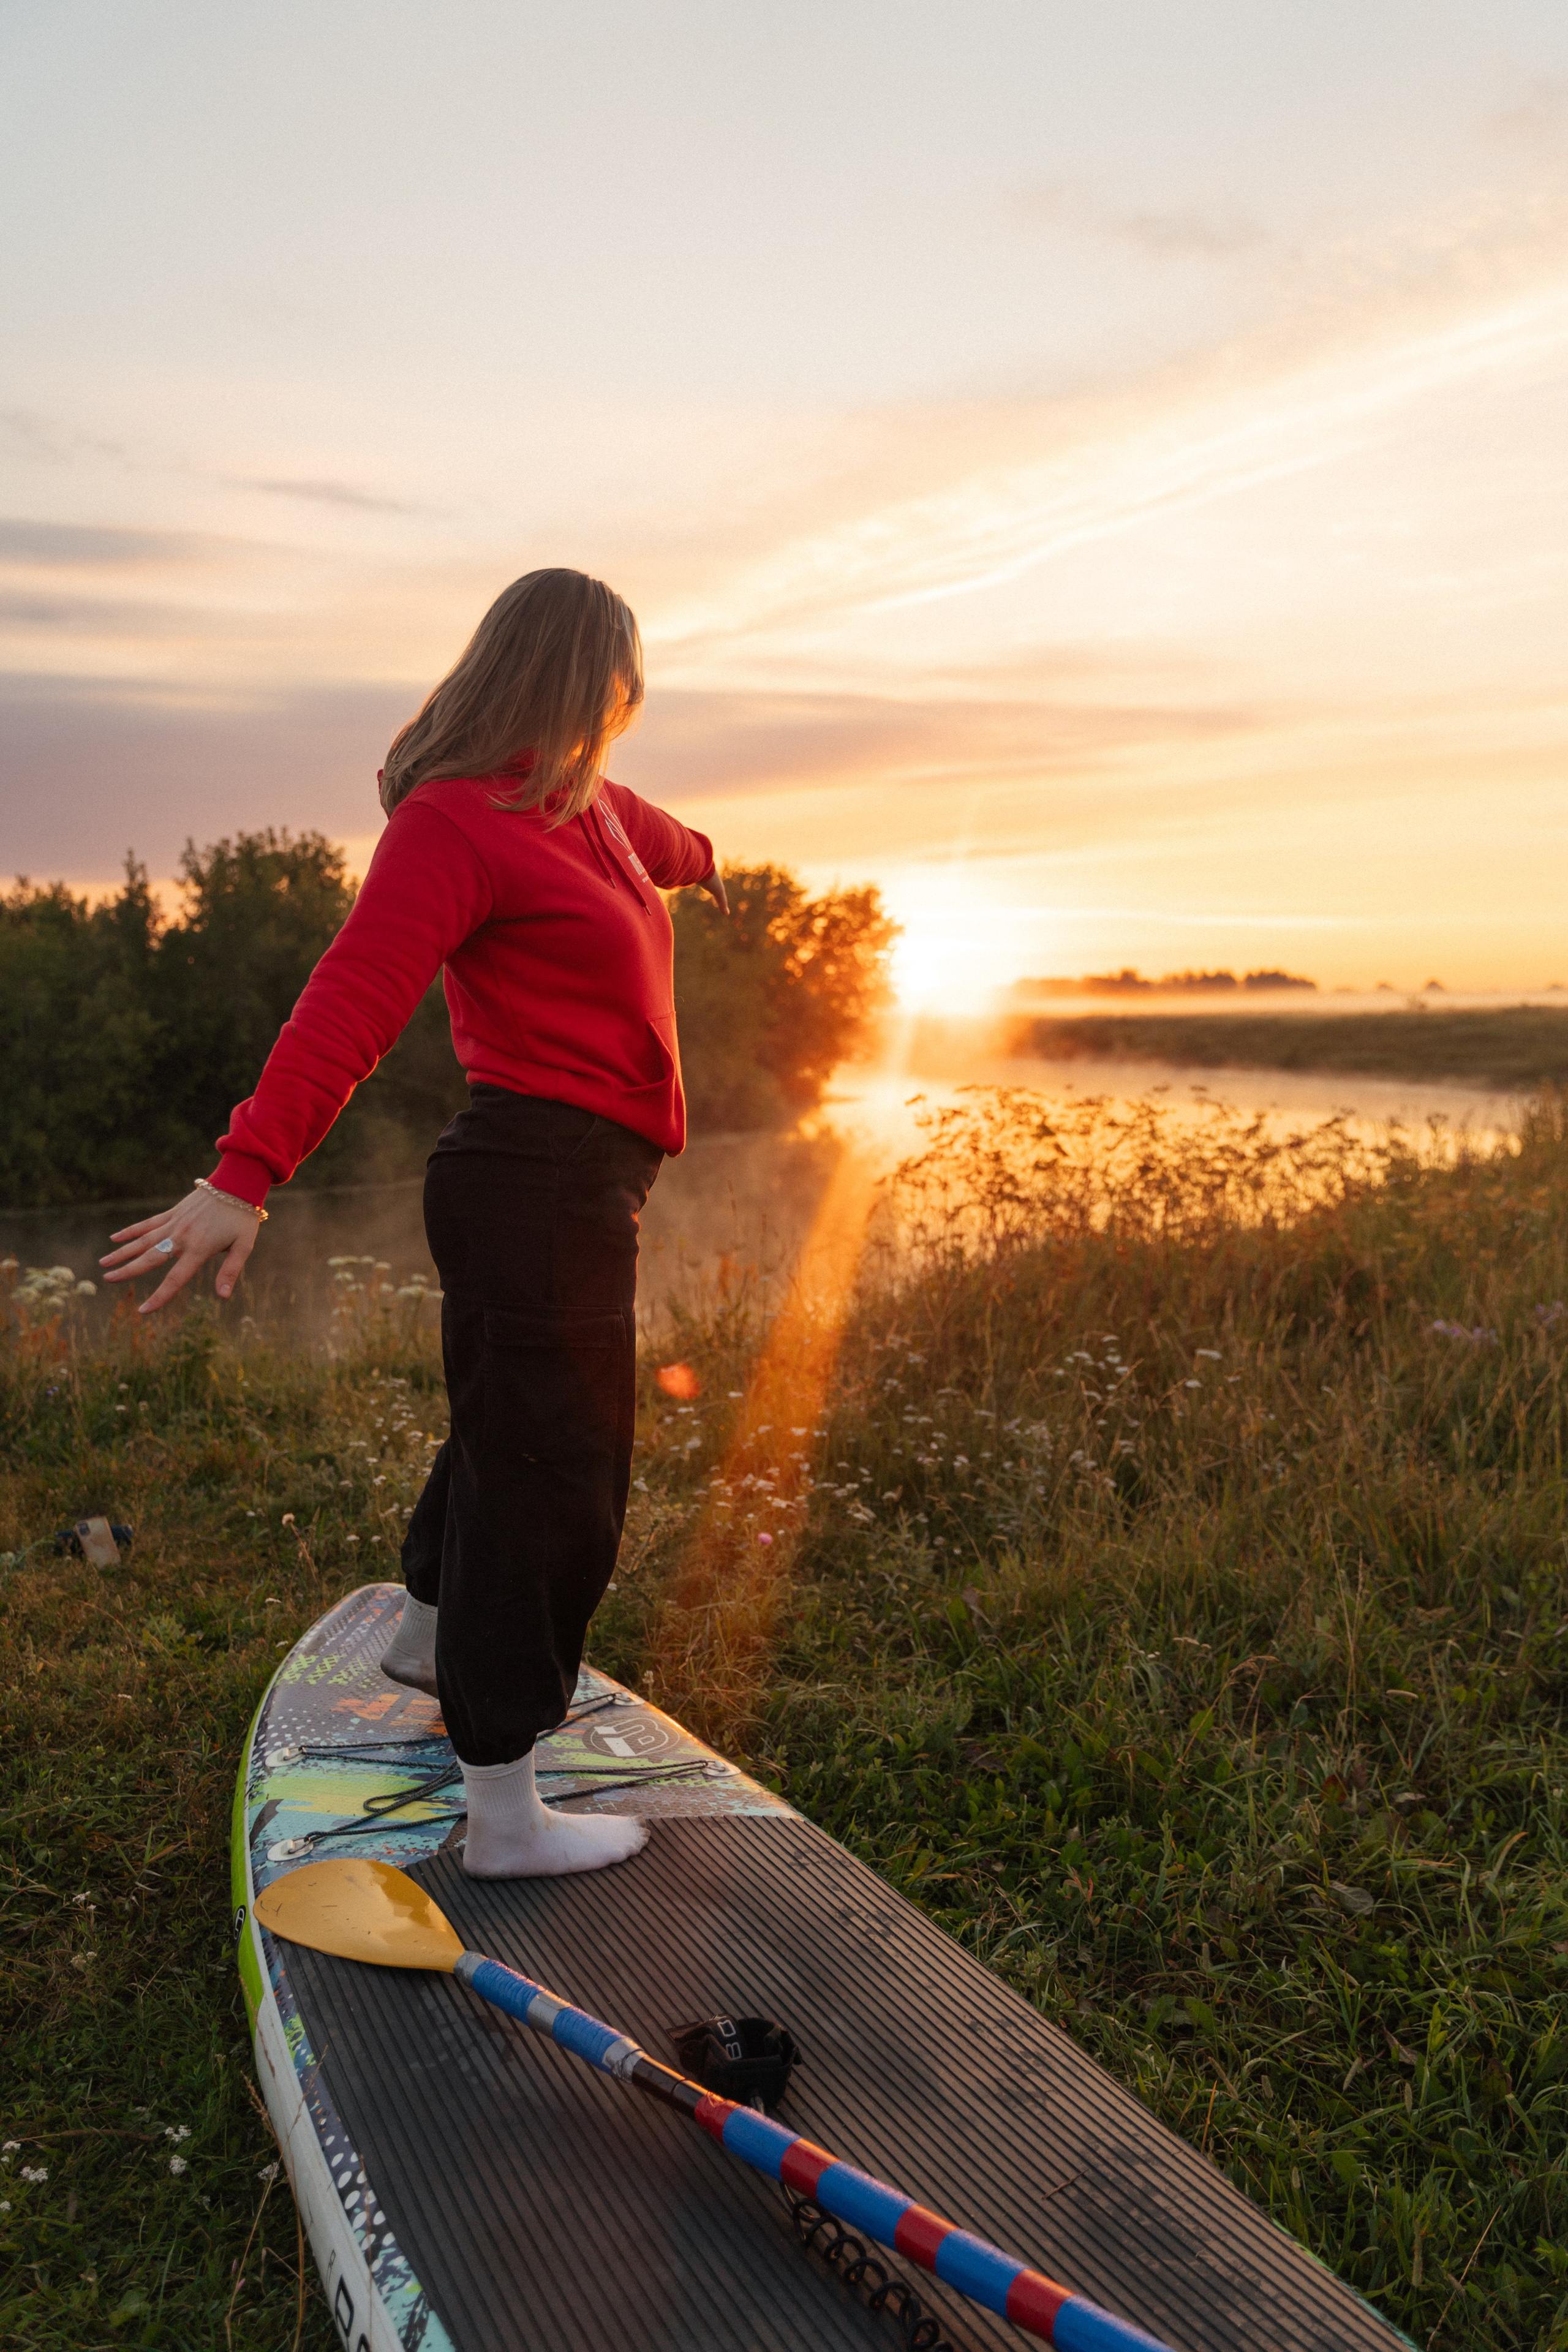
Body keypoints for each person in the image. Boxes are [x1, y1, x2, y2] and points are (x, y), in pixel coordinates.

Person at [100, 568, 727, 1880]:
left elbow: (673, 848)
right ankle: (505, 1809)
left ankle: (422, 1629)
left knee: (508, 1422)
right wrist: (244, 1171)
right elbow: (353, 1000)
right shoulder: (458, 823)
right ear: (582, 678)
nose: (625, 706)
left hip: (569, 1186)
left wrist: (713, 868)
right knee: (557, 1473)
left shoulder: (598, 814)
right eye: (618, 681)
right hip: (533, 1180)